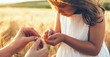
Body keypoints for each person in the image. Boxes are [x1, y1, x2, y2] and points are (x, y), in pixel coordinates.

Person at [43, 0, 110, 57]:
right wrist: (51, 35)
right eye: (55, 6)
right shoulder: (61, 12)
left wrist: (64, 38)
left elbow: (94, 49)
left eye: (62, 6)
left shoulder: (95, 14)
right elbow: (58, 33)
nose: (58, 11)